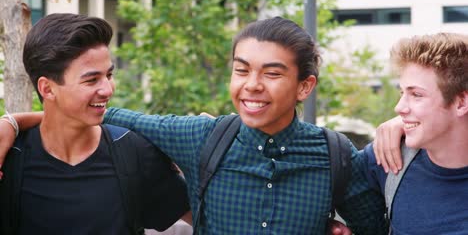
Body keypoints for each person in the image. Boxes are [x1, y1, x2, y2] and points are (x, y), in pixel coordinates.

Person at [0, 17, 387, 234]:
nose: (252, 85)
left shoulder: (337, 155)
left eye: (271, 73)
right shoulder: (200, 137)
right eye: (241, 70)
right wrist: (13, 123)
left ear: (305, 86)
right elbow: (103, 112)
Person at [0, 13, 190, 234]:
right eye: (91, 80)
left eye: (109, 75)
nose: (108, 90)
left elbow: (211, 219)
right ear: (47, 89)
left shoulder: (133, 152)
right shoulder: (10, 159)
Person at [364, 33, 468, 234]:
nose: (399, 107)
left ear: (461, 102)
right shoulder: (386, 159)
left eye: (416, 95)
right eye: (402, 93)